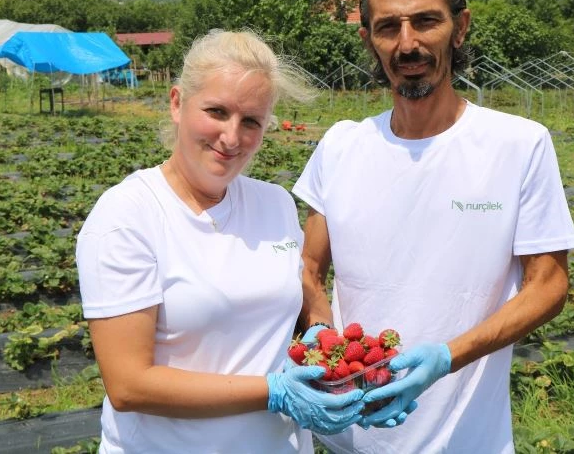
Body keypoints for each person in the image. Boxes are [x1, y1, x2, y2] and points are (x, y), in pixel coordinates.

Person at [292, 0, 574, 453]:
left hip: (467, 441)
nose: (408, 44)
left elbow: (549, 284)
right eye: (388, 27)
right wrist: (322, 333)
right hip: (348, 441)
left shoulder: (518, 145)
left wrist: (448, 357)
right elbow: (308, 268)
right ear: (369, 41)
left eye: (426, 21)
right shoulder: (341, 146)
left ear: (460, 27)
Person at [76, 29, 366, 454]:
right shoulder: (128, 217)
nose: (232, 137)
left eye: (251, 121)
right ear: (177, 103)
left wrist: (326, 348)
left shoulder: (274, 204)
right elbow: (129, 385)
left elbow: (303, 283)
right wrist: (274, 392)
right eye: (216, 111)